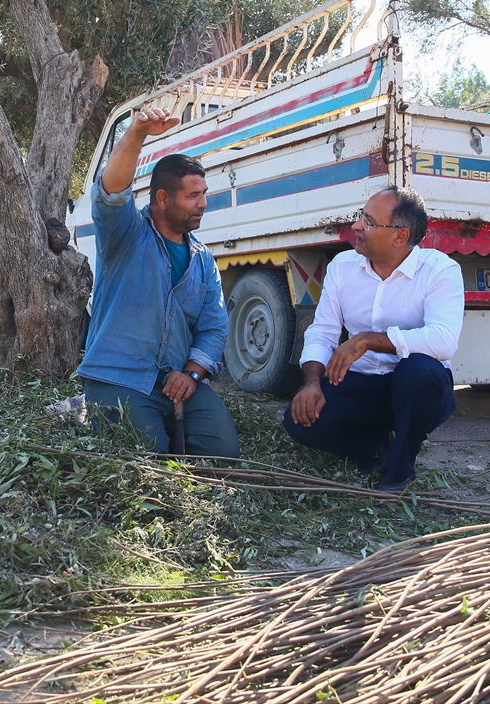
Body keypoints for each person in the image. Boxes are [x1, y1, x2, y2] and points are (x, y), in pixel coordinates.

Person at [78, 107, 240, 457]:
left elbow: (214, 329)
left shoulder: (203, 259)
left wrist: (193, 374)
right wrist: (136, 132)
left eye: (204, 193)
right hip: (118, 377)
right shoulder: (125, 234)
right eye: (193, 196)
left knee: (224, 454)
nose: (203, 204)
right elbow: (110, 191)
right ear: (163, 199)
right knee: (148, 462)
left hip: (177, 383)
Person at [283, 186, 463, 490]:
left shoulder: (439, 271)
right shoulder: (342, 266)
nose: (356, 227)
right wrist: (312, 383)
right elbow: (323, 332)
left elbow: (444, 339)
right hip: (361, 382)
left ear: (400, 236)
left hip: (412, 388)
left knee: (420, 371)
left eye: (368, 221)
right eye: (360, 217)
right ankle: (375, 444)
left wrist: (369, 339)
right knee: (299, 421)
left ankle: (399, 470)